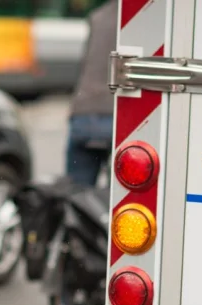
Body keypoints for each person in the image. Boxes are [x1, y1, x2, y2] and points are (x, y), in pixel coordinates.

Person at [65, 0, 118, 188]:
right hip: (116, 115)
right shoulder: (144, 20)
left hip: (83, 112)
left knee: (77, 193)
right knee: (121, 196)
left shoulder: (97, 16)